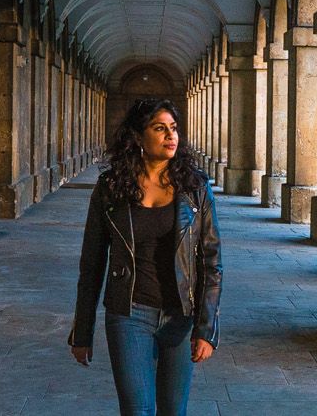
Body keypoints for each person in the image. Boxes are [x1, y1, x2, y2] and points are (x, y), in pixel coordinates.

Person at [68, 98, 222, 416]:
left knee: (172, 411)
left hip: (180, 314)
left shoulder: (195, 188)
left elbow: (210, 261)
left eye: (174, 129)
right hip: (128, 313)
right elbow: (92, 263)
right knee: (137, 410)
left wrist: (206, 329)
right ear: (138, 137)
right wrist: (82, 331)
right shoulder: (111, 188)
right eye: (160, 128)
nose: (171, 136)